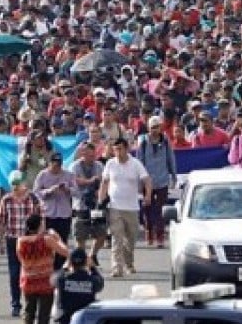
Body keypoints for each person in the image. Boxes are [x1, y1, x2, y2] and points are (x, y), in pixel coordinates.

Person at [97, 139, 151, 278]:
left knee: (131, 239)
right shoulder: (110, 163)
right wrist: (100, 200)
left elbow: (146, 180)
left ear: (127, 149)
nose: (118, 152)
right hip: (115, 206)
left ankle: (129, 263)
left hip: (132, 207)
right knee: (117, 237)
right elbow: (104, 182)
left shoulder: (135, 163)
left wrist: (148, 195)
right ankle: (117, 268)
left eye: (120, 149)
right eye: (115, 149)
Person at [16, 213, 68, 324]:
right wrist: (57, 238)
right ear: (39, 225)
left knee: (28, 313)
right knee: (43, 315)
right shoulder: (47, 240)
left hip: (28, 281)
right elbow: (65, 252)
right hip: (45, 282)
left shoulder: (21, 241)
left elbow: (21, 259)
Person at [41, 248, 102, 324]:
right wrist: (93, 268)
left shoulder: (62, 279)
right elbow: (100, 282)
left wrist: (65, 267)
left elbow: (53, 279)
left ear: (70, 262)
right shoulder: (92, 281)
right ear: (85, 262)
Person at [0, 171, 41, 318]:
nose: (16, 187)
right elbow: (1, 221)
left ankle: (32, 304)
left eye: (18, 183)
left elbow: (41, 219)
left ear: (24, 183)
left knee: (31, 273)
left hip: (30, 239)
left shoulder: (33, 199)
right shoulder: (6, 200)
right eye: (13, 184)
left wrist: (40, 237)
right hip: (13, 239)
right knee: (15, 273)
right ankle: (16, 304)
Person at [135, 118, 176, 248]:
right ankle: (149, 234)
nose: (155, 130)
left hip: (162, 180)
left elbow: (171, 158)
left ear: (160, 127)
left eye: (157, 127)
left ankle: (160, 237)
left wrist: (173, 175)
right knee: (147, 210)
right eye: (152, 127)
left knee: (160, 210)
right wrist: (140, 181)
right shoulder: (143, 142)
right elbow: (139, 161)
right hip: (147, 182)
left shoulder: (166, 141)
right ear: (148, 128)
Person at [33, 153, 77, 267]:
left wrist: (67, 189)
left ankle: (61, 266)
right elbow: (36, 193)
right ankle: (48, 265)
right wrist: (49, 191)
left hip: (64, 214)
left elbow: (76, 191)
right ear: (50, 163)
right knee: (48, 240)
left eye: (59, 164)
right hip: (48, 213)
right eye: (54, 164)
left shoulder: (69, 175)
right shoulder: (42, 175)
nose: (57, 167)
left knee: (62, 241)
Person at [69, 145, 107, 264]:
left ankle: (93, 254)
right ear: (83, 154)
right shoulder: (74, 166)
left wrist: (100, 190)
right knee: (80, 235)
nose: (92, 158)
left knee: (101, 233)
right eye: (89, 155)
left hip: (96, 206)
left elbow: (104, 181)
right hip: (81, 206)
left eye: (93, 155)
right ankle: (82, 258)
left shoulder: (99, 165)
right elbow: (75, 180)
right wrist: (90, 181)